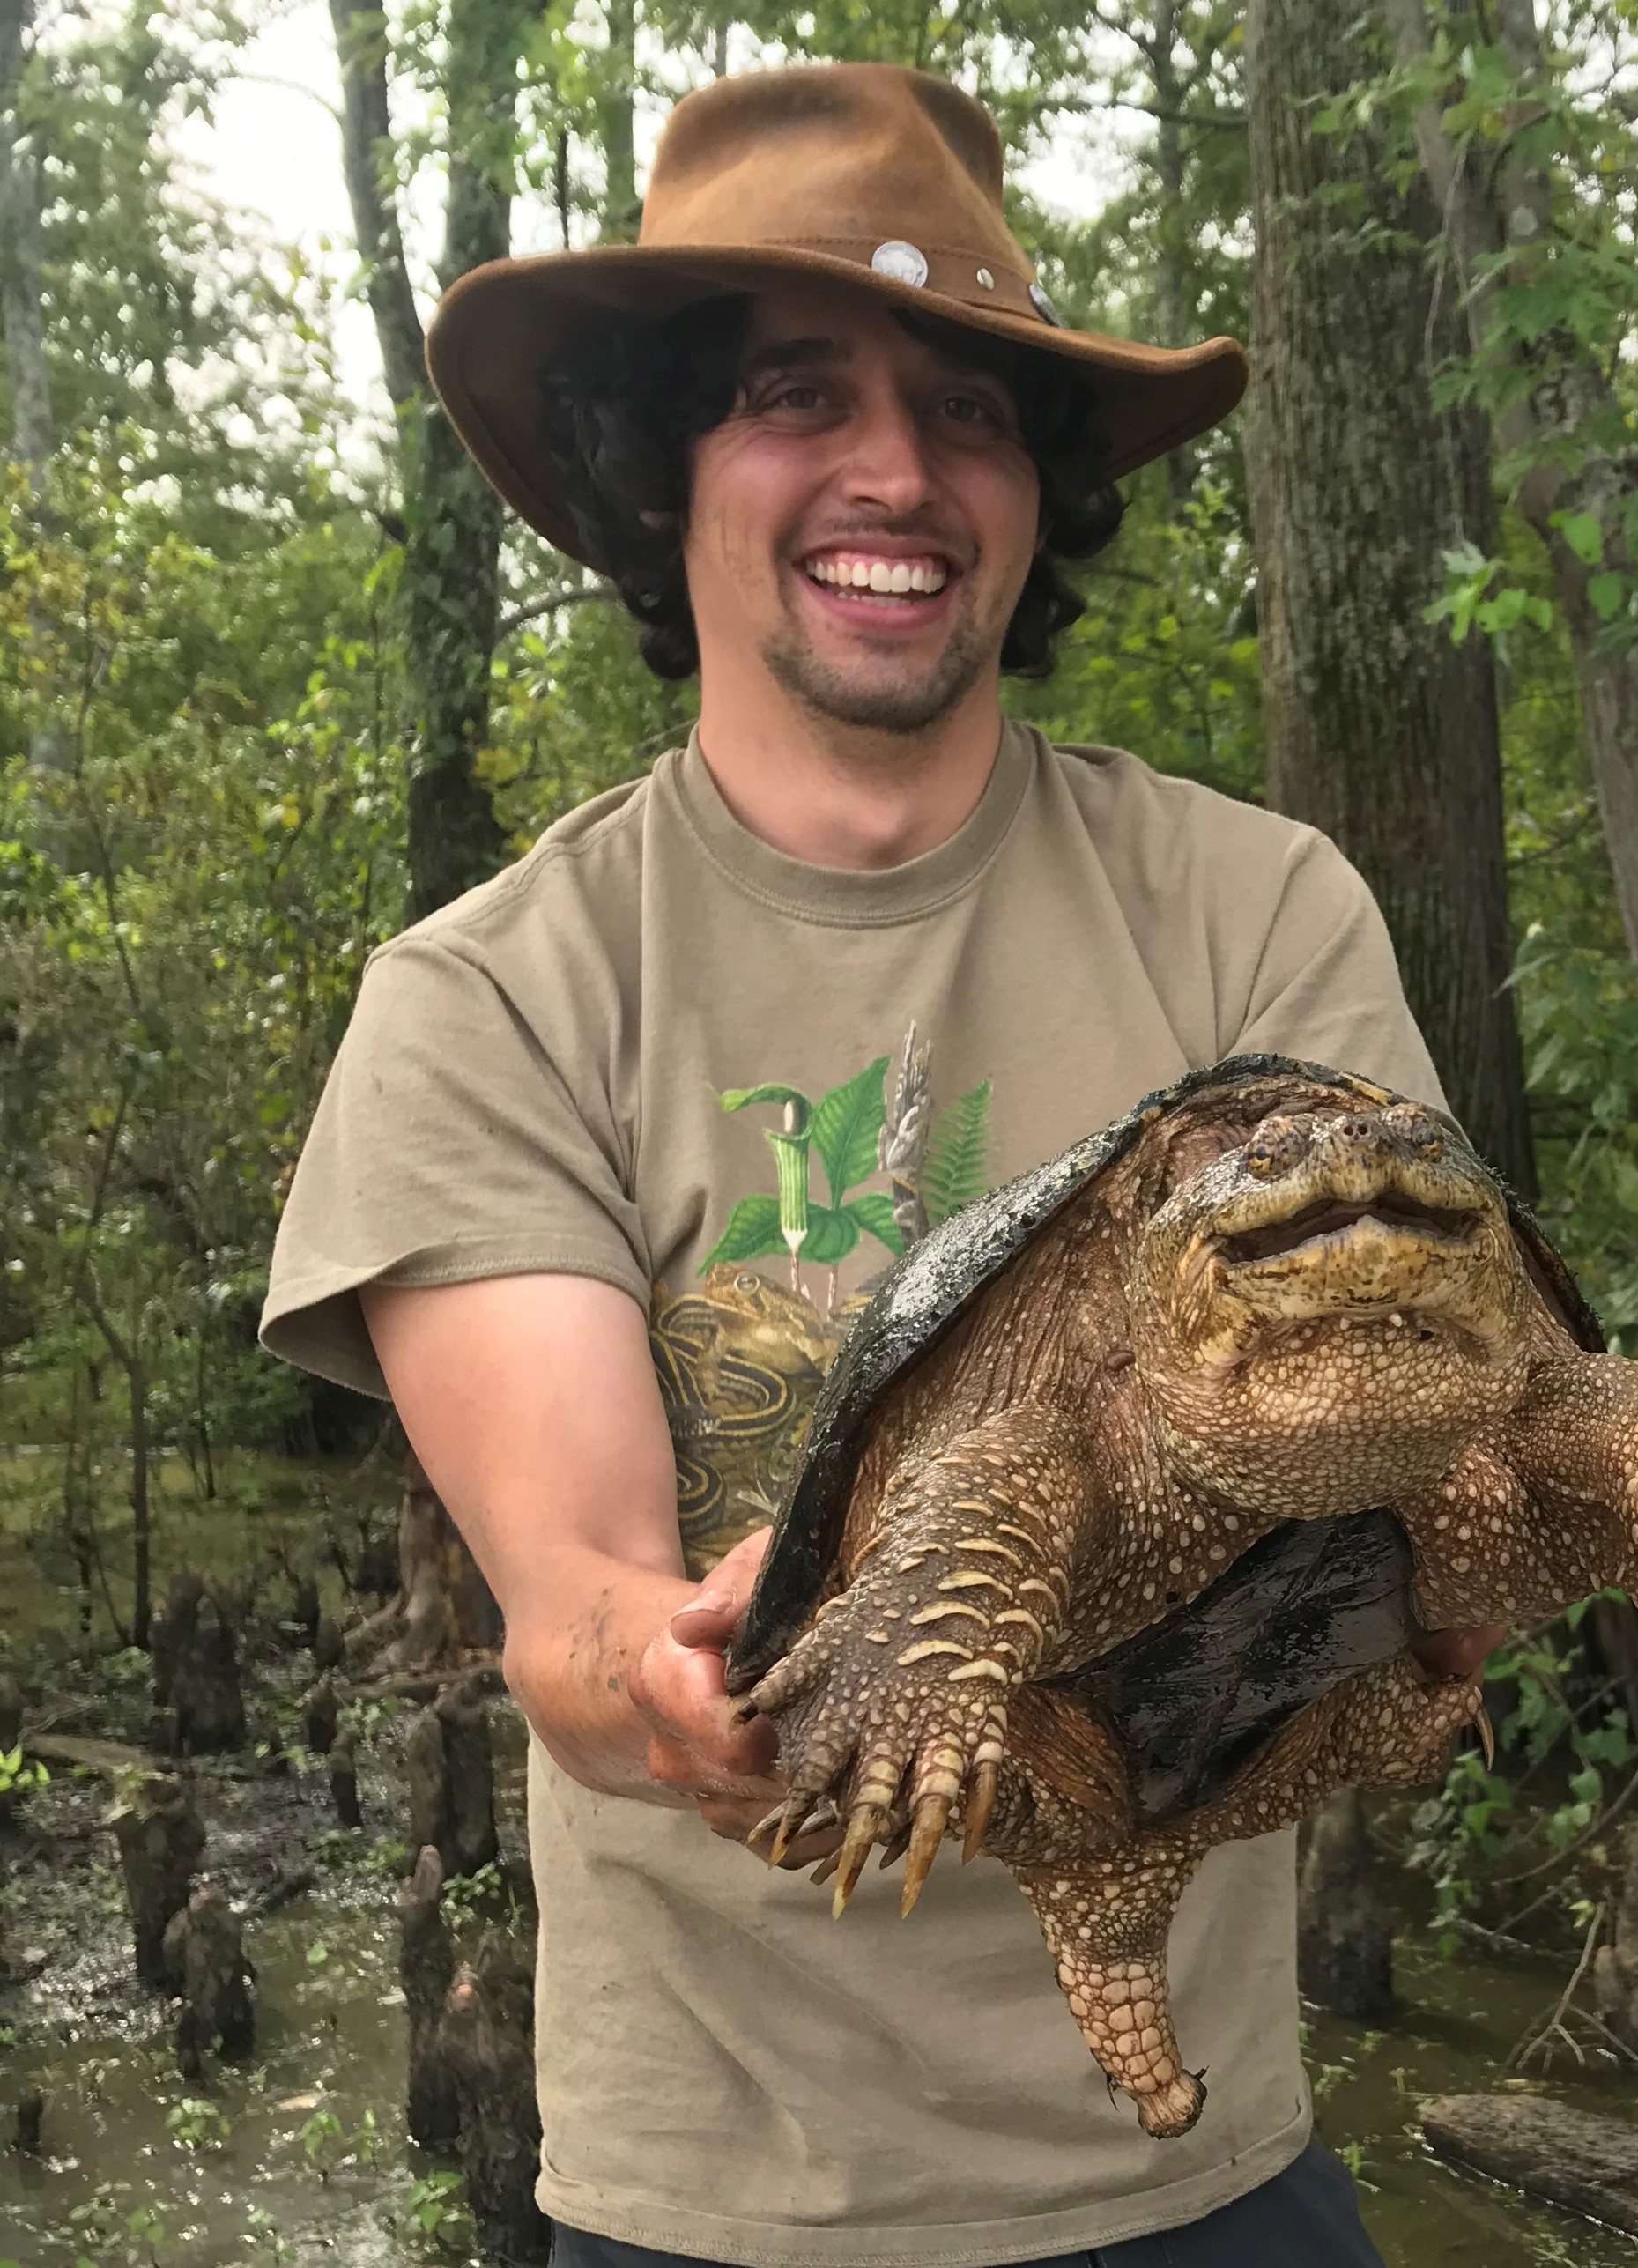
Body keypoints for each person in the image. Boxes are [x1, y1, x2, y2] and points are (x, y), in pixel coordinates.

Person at [263, 61, 1486, 2268]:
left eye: (972, 412)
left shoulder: (1255, 910)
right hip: (724, 2194)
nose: (898, 474)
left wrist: (1475, 1546)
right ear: (661, 473)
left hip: (1199, 2168)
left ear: (1033, 501)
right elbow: (579, 1602)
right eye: (797, 394)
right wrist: (668, 1673)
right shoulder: (500, 991)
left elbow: (1413, 1406)